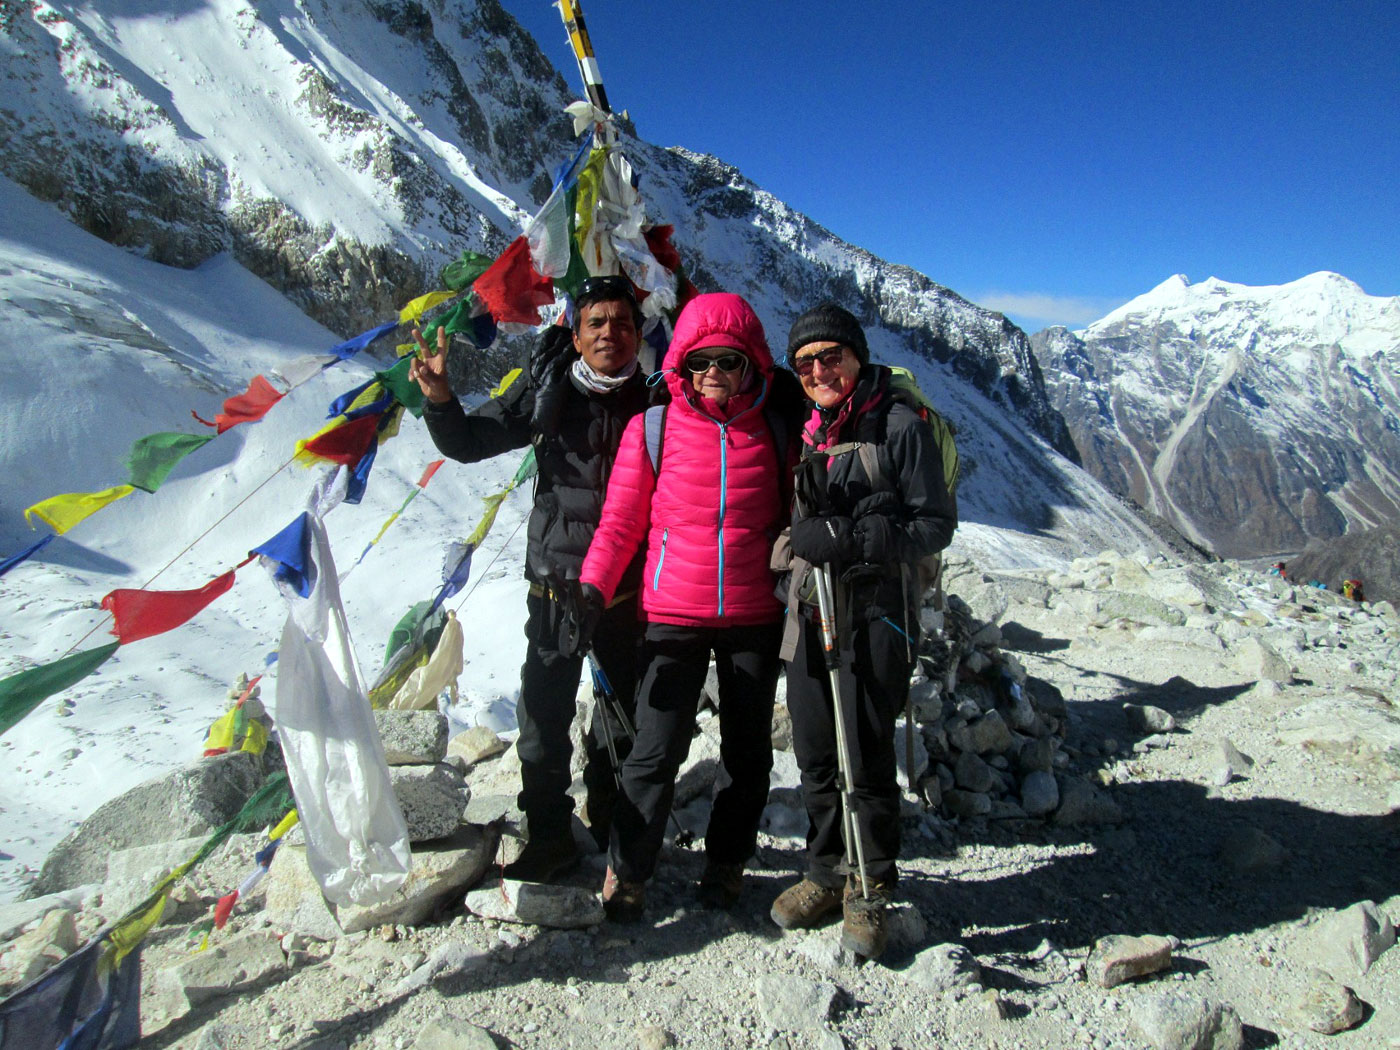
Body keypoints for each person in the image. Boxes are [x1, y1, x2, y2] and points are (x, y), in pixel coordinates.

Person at [410, 275, 653, 881]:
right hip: (555, 587)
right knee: (542, 718)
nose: (608, 334)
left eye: (621, 323)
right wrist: (441, 398)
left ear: (639, 336)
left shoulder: (656, 403)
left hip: (626, 588)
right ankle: (549, 835)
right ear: (574, 332)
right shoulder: (547, 392)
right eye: (596, 323)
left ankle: (610, 821)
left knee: (622, 714)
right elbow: (470, 442)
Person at [575, 292, 802, 921]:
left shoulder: (777, 427)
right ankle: (629, 872)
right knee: (655, 749)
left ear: (752, 363)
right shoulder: (655, 426)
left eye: (727, 361)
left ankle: (726, 865)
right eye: (699, 363)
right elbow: (620, 523)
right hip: (672, 613)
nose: (712, 376)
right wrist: (594, 588)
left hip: (757, 612)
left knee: (748, 753)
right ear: (680, 365)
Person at [769, 302, 957, 960]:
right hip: (813, 608)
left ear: (856, 356)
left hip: (877, 607)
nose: (819, 370)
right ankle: (826, 871)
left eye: (831, 356)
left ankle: (871, 883)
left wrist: (850, 536)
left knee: (867, 747)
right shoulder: (807, 428)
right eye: (806, 363)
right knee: (818, 745)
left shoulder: (899, 426)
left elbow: (934, 525)